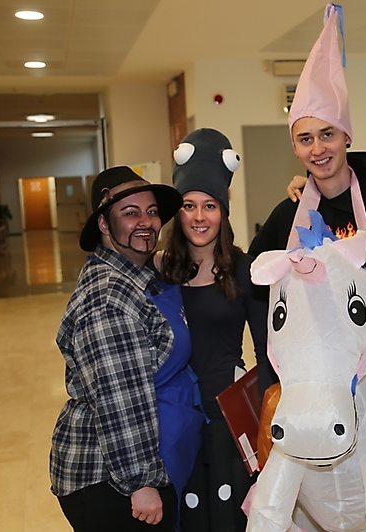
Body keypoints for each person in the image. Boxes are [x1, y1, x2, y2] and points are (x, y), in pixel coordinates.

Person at [248, 3, 366, 389]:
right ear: (295, 148)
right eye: (305, 139)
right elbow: (255, 289)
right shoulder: (287, 218)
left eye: (327, 134)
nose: (318, 149)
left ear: (346, 136)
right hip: (319, 392)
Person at [50, 166, 205, 532]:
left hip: (130, 469)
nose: (146, 222)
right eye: (130, 213)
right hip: (109, 482)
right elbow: (118, 398)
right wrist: (141, 483)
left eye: (151, 212)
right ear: (104, 224)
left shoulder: (137, 277)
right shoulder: (108, 300)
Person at [151, 128, 268, 532]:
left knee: (229, 517)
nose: (199, 217)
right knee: (189, 516)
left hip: (229, 418)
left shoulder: (243, 269)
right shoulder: (160, 270)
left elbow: (266, 353)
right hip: (175, 414)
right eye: (189, 205)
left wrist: (269, 424)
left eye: (210, 206)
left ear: (224, 210)